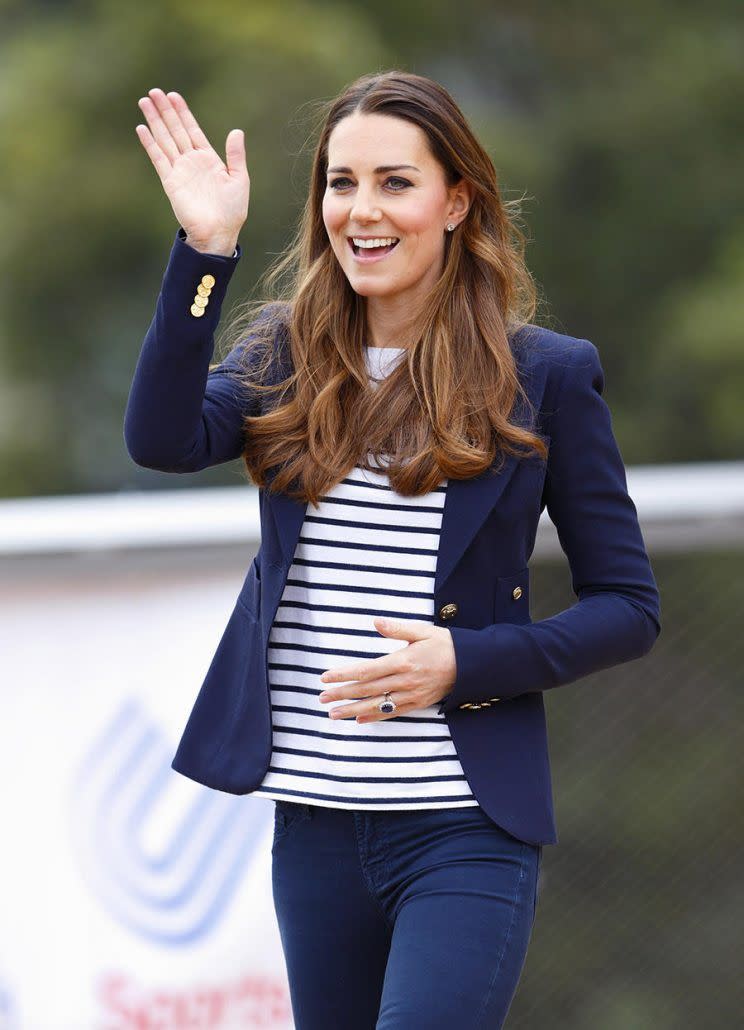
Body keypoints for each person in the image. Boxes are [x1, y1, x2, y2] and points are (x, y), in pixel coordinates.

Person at [125, 70, 661, 1029]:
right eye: (340, 183)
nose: (360, 212)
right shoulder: (283, 355)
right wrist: (205, 252)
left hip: (463, 827)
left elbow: (628, 605)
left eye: (394, 183)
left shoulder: (547, 374)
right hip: (315, 822)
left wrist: (467, 662)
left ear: (458, 202)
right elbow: (160, 440)